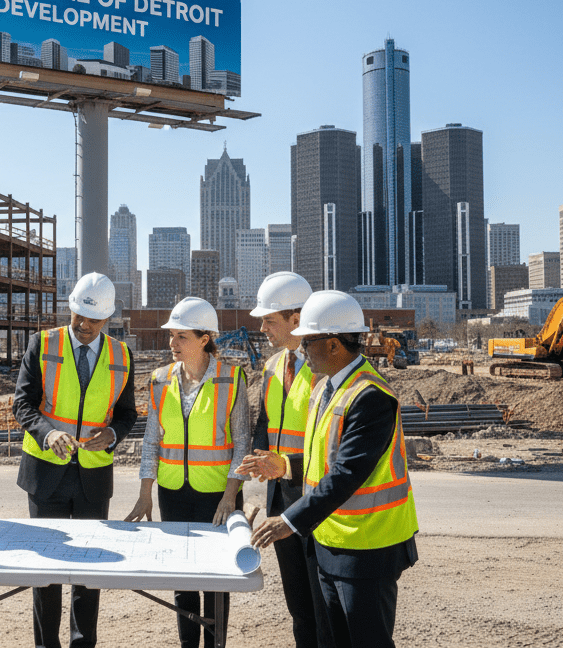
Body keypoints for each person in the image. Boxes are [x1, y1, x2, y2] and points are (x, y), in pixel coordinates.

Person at [249, 290, 419, 648]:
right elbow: (319, 464)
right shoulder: (327, 388)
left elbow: (346, 475)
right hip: (330, 542)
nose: (302, 348)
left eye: (308, 341)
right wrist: (285, 467)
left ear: (333, 346)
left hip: (368, 549)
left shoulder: (370, 396)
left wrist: (288, 520)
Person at [12, 272, 137, 648]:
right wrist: (48, 433)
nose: (84, 326)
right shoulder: (43, 344)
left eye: (93, 320)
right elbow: (21, 403)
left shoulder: (121, 354)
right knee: (46, 572)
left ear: (108, 319)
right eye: (78, 317)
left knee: (89, 574)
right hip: (45, 473)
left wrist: (113, 434)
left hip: (93, 478)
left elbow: (128, 413)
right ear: (70, 309)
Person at [125, 296, 250, 648]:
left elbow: (241, 442)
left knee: (216, 577)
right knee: (182, 577)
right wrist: (145, 492)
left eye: (181, 336)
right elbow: (152, 439)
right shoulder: (160, 380)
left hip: (217, 495)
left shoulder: (231, 378)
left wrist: (230, 495)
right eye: (171, 335)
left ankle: (215, 645)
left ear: (204, 338)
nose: (172, 344)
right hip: (173, 492)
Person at [236, 272, 332, 648]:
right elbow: (266, 422)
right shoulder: (274, 365)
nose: (262, 328)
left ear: (297, 319)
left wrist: (285, 463)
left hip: (314, 493)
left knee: (323, 603)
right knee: (298, 605)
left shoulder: (324, 366)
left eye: (269, 320)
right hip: (280, 494)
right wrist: (254, 460)